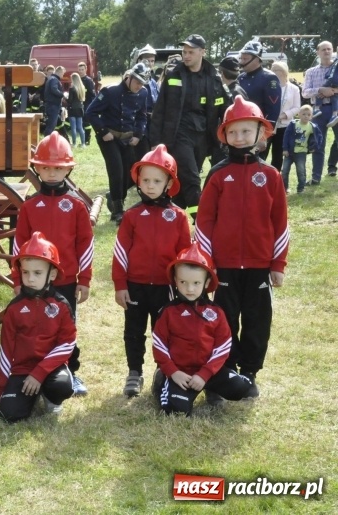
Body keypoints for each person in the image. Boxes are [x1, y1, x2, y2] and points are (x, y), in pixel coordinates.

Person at [195, 96, 289, 398]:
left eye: (246, 131)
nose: (239, 137)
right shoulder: (219, 174)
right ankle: (224, 370)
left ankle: (249, 371)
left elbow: (281, 224)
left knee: (257, 320)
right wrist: (207, 262)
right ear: (224, 135)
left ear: (261, 133)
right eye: (233, 132)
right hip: (223, 266)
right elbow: (205, 221)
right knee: (222, 319)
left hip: (260, 265)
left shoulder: (272, 176)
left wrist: (277, 264)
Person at [14, 132, 92, 396]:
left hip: (66, 280)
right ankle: (34, 369)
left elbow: (85, 245)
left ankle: (71, 371)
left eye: (58, 168)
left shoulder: (77, 205)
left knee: (65, 326)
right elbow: (19, 246)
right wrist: (17, 279)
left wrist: (85, 280)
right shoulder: (29, 206)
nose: (51, 173)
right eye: (45, 167)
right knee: (37, 326)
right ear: (37, 168)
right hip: (34, 280)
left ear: (68, 168)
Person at [112, 144, 191, 398]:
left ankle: (162, 372)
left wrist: (182, 287)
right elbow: (121, 252)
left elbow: (185, 256)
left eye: (157, 180)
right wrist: (120, 285)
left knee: (164, 332)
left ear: (169, 183)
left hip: (165, 288)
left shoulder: (178, 217)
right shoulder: (132, 216)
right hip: (135, 285)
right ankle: (134, 372)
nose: (150, 185)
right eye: (145, 179)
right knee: (133, 331)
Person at [152, 242, 254, 416]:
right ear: (175, 280)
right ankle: (162, 379)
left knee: (243, 389)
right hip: (181, 374)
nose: (189, 289)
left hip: (209, 372)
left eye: (196, 283)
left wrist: (205, 374)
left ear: (207, 282)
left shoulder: (216, 312)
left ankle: (210, 388)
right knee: (176, 410)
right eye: (183, 282)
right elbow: (159, 344)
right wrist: (173, 372)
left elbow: (223, 345)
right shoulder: (168, 312)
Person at [0, 232, 76, 422]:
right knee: (9, 415)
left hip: (51, 368)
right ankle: (29, 394)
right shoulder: (14, 308)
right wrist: (1, 388)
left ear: (53, 274)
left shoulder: (62, 305)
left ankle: (51, 397)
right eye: (25, 272)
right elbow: (6, 350)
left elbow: (67, 343)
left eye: (37, 273)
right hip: (22, 370)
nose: (30, 278)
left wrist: (39, 373)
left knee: (61, 387)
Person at [150, 34, 231, 219]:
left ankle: (169, 216)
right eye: (184, 52)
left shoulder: (213, 77)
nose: (186, 56)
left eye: (190, 52)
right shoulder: (173, 76)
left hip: (203, 135)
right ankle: (201, 221)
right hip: (178, 134)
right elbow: (159, 111)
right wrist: (155, 141)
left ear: (202, 52)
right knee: (192, 177)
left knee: (182, 180)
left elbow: (224, 108)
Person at [85, 62, 150, 223]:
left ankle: (114, 197)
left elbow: (142, 116)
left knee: (130, 173)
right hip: (109, 138)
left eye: (142, 83)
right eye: (137, 82)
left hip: (128, 139)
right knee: (116, 171)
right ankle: (118, 210)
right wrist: (103, 131)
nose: (139, 86)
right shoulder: (110, 91)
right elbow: (90, 113)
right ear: (128, 78)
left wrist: (138, 135)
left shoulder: (143, 93)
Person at [236, 41, 282, 161]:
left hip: (258, 129)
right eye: (241, 58)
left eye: (246, 58)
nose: (242, 61)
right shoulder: (240, 77)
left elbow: (273, 110)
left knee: (255, 163)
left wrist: (264, 136)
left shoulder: (269, 78)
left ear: (257, 59)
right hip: (240, 127)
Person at [302, 41, 337, 182]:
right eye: (323, 49)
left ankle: (332, 166)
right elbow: (305, 93)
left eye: (329, 49)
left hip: (336, 109)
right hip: (318, 112)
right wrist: (320, 90)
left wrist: (333, 91)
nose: (327, 52)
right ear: (317, 52)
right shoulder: (311, 72)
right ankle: (316, 177)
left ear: (332, 51)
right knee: (318, 145)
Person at [269, 61, 302, 172]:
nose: (274, 73)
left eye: (277, 70)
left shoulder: (293, 88)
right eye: (272, 70)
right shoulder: (268, 87)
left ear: (284, 72)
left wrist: (284, 115)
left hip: (284, 125)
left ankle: (275, 177)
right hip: (268, 124)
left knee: (278, 154)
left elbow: (297, 107)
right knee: (262, 152)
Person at [282, 104, 322, 194]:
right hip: (289, 152)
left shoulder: (312, 127)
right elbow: (286, 136)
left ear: (311, 116)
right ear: (299, 114)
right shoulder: (293, 124)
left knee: (301, 171)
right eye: (304, 114)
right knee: (284, 170)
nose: (306, 116)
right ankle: (284, 188)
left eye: (308, 114)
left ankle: (301, 188)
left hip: (301, 153)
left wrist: (315, 147)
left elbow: (319, 137)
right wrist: (285, 149)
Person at [77, 62, 97, 146]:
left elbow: (93, 94)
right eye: (79, 70)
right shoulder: (78, 80)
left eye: (82, 69)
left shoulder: (88, 81)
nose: (81, 71)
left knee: (86, 123)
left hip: (87, 104)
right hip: (79, 104)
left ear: (86, 70)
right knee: (80, 123)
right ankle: (82, 140)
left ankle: (87, 140)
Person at [43, 65, 65, 136]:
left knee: (57, 123)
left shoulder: (51, 79)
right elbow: (54, 89)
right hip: (53, 105)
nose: (63, 75)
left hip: (52, 105)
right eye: (63, 73)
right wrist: (62, 94)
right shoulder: (54, 80)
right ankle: (46, 141)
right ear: (60, 72)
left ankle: (66, 139)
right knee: (51, 125)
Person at [67, 73, 86, 147]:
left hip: (72, 108)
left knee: (73, 127)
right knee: (80, 127)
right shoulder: (82, 87)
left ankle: (74, 143)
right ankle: (83, 143)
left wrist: (65, 98)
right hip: (80, 108)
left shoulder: (72, 88)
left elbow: (70, 100)